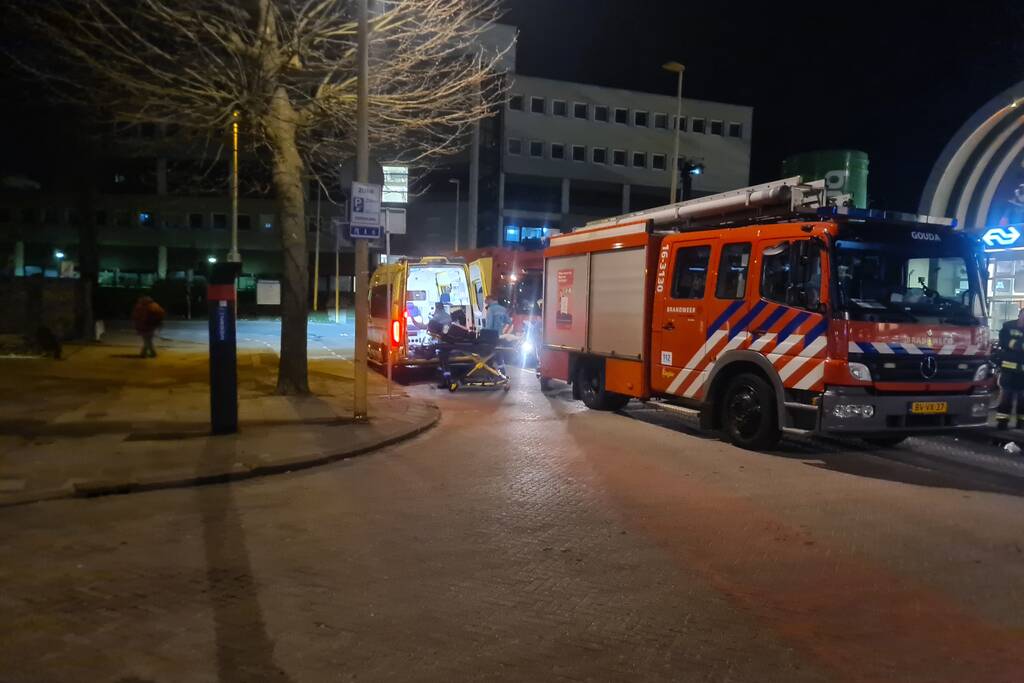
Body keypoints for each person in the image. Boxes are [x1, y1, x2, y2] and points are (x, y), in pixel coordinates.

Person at [997, 307, 1024, 429]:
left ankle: (1021, 423)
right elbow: (1003, 341)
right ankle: (1002, 422)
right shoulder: (1008, 326)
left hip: (1022, 372)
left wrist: (1015, 345)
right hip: (1008, 370)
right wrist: (1018, 345)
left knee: (1022, 398)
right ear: (1019, 315)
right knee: (1006, 397)